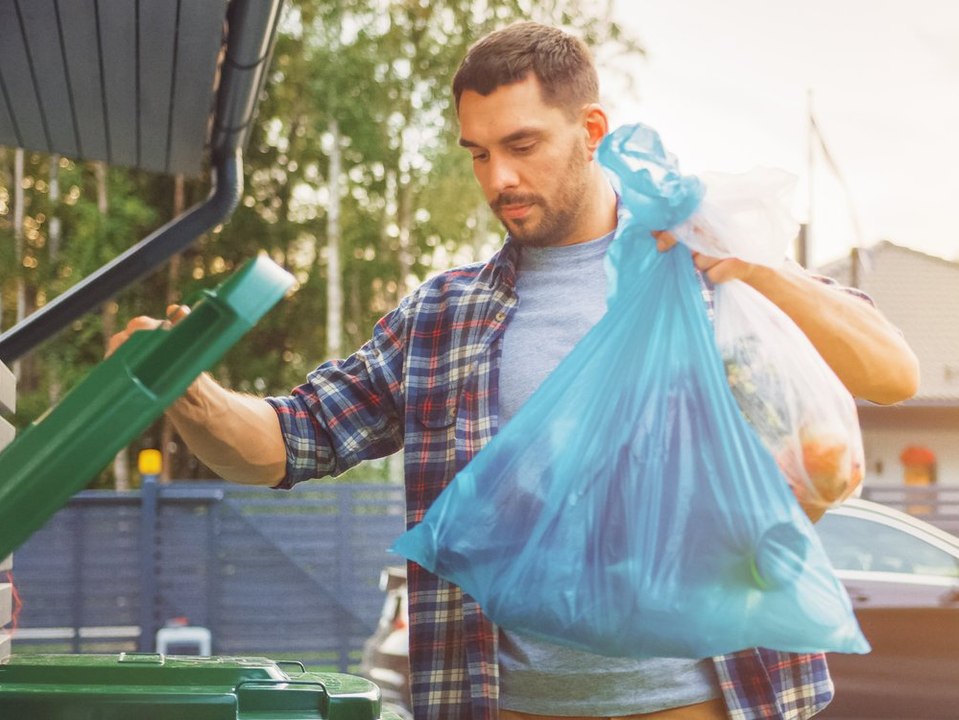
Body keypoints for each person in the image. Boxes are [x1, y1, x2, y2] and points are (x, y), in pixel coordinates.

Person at [110, 21, 919, 720]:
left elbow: (889, 374)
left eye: (522, 145)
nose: (498, 179)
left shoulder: (705, 273)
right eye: (478, 154)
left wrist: (758, 272)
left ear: (590, 127)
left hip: (709, 700)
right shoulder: (444, 317)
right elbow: (293, 441)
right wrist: (191, 393)